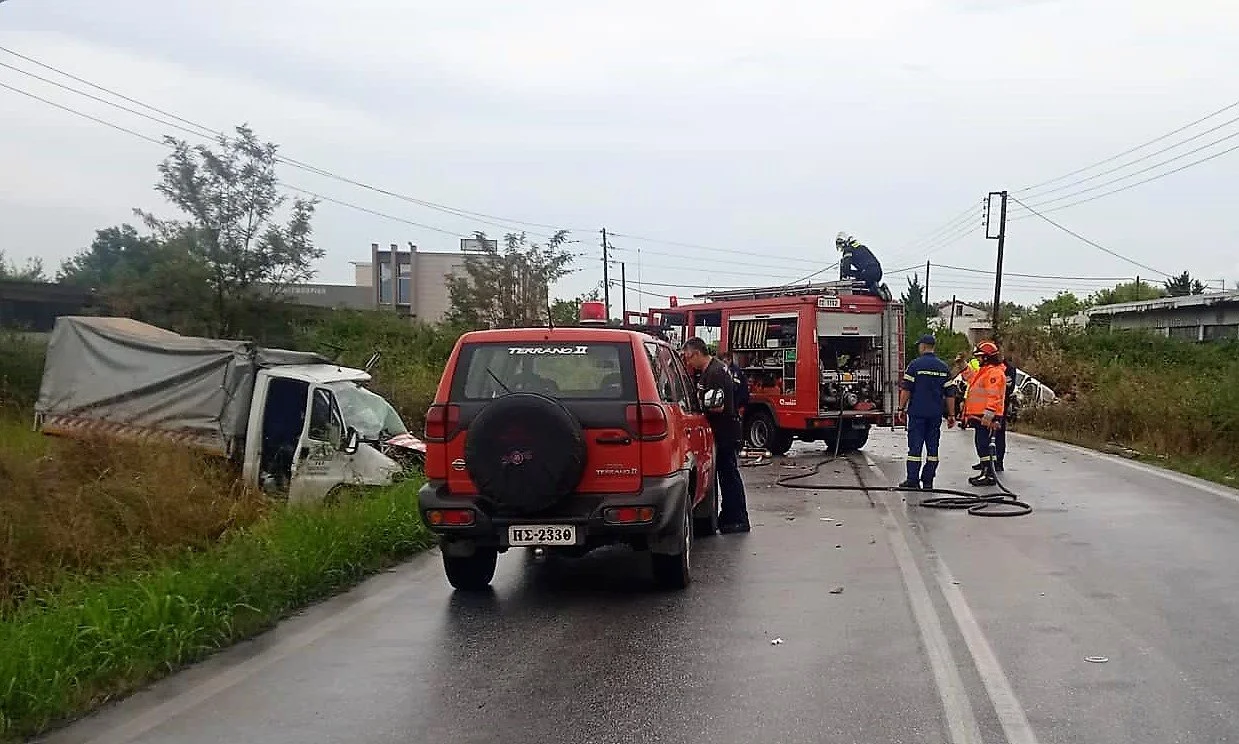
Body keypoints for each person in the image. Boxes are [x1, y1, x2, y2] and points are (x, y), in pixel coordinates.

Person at [682, 337, 750, 533]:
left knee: (729, 476)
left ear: (696, 353)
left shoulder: (715, 372)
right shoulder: (710, 371)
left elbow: (717, 406)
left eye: (688, 358)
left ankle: (737, 519)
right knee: (725, 475)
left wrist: (700, 407)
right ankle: (729, 517)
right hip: (721, 431)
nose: (688, 363)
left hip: (725, 432)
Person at [896, 334, 956, 490]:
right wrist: (951, 415)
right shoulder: (943, 367)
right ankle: (928, 480)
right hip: (935, 415)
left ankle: (912, 480)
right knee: (933, 449)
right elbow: (950, 394)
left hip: (917, 413)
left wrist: (900, 409)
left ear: (923, 346)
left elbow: (906, 389)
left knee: (915, 448)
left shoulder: (915, 365)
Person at [961, 340, 1007, 487]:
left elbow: (994, 395)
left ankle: (989, 474)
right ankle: (985, 472)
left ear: (987, 357)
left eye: (980, 356)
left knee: (984, 444)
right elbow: (971, 378)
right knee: (981, 444)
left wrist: (989, 415)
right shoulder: (985, 372)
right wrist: (962, 365)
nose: (978, 359)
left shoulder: (994, 374)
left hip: (987, 416)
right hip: (980, 415)